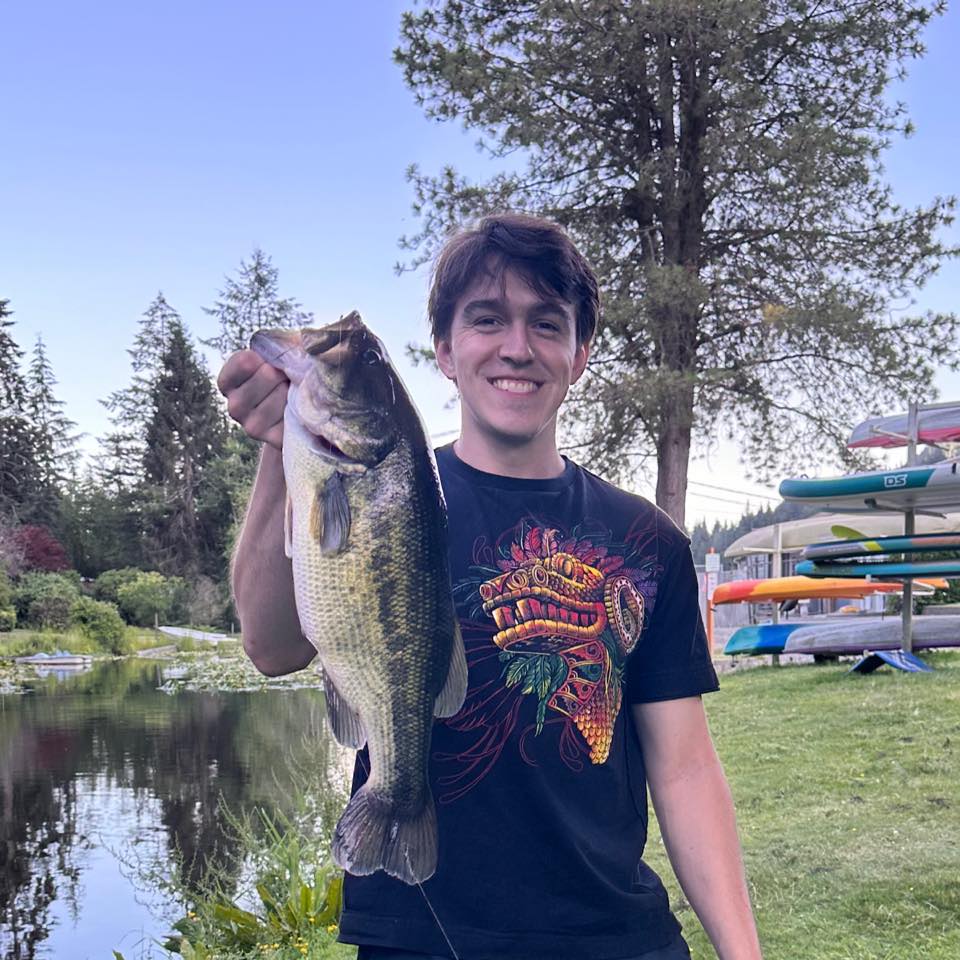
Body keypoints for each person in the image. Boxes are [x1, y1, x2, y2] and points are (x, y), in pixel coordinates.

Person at [218, 213, 763, 960]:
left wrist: (743, 952)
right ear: (444, 350)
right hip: (417, 937)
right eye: (486, 319)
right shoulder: (383, 491)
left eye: (547, 323)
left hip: (615, 939)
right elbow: (271, 648)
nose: (517, 347)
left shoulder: (647, 541)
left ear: (580, 355)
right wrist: (282, 453)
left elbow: (685, 765)